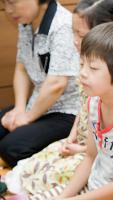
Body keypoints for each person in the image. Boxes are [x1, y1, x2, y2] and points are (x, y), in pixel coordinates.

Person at [2, 0, 113, 196]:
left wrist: (81, 149)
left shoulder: (109, 84)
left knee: (20, 153)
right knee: (32, 164)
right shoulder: (88, 75)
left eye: (80, 35)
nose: (75, 40)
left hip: (80, 134)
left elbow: (109, 141)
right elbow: (85, 108)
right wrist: (20, 109)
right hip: (78, 136)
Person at [32, 22, 113, 200]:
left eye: (93, 68)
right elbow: (90, 157)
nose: (83, 73)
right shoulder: (93, 102)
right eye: (82, 64)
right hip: (97, 187)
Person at [0, 0, 80, 167]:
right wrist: (20, 108)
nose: (8, 10)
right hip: (39, 104)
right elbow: (21, 68)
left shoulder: (63, 25)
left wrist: (27, 118)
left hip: (67, 112)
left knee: (12, 148)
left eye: (13, 2)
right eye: (4, 3)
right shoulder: (25, 22)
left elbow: (57, 83)